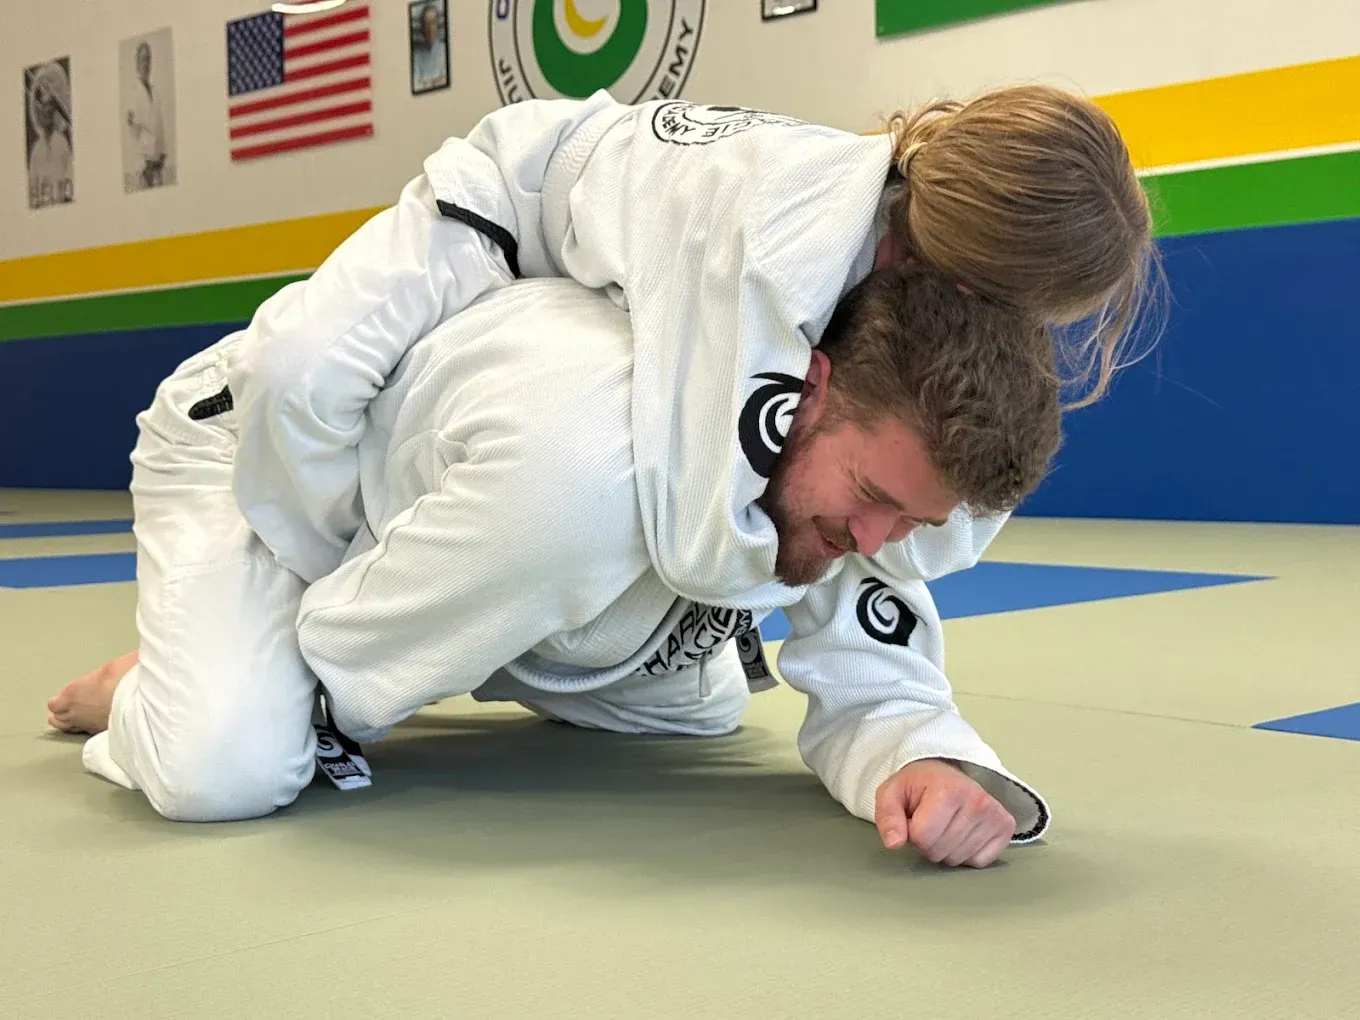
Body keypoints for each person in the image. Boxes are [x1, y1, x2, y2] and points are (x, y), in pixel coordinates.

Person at [50, 266, 1060, 870]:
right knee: (224, 766)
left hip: (478, 536)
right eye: (874, 499)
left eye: (910, 520)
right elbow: (358, 660)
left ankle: (250, 661)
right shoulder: (581, 461)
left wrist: (925, 761)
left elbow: (875, 667)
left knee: (701, 703)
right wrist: (262, 696)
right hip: (270, 451)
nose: (879, 539)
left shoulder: (848, 461)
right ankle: (163, 685)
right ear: (808, 394)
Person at [218, 84, 1161, 594]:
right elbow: (697, 530)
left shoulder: (901, 265)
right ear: (963, 273)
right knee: (297, 371)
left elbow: (937, 518)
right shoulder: (783, 245)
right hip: (512, 204)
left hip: (617, 273)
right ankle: (300, 578)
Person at [125, 41, 167, 190]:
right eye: (143, 59)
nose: (146, 63)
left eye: (148, 59)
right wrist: (145, 163)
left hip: (157, 165)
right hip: (143, 168)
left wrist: (162, 153)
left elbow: (159, 127)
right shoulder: (133, 94)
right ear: (137, 64)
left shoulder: (156, 92)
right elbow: (132, 130)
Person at [411, 3, 448, 92]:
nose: (430, 28)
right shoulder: (416, 55)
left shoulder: (444, 50)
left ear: (438, 24)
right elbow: (415, 85)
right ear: (422, 27)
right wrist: (436, 80)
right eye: (426, 24)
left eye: (433, 22)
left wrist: (425, 82)